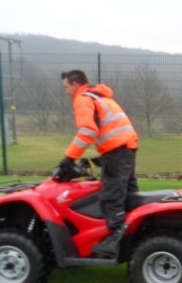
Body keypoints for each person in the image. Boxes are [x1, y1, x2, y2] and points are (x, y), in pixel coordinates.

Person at [59, 69, 139, 258]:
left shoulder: (83, 99)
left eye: (66, 87)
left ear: (75, 84)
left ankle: (115, 241)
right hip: (126, 147)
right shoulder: (100, 97)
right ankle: (137, 234)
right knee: (128, 193)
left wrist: (68, 159)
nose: (66, 92)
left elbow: (87, 131)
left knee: (111, 196)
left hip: (117, 150)